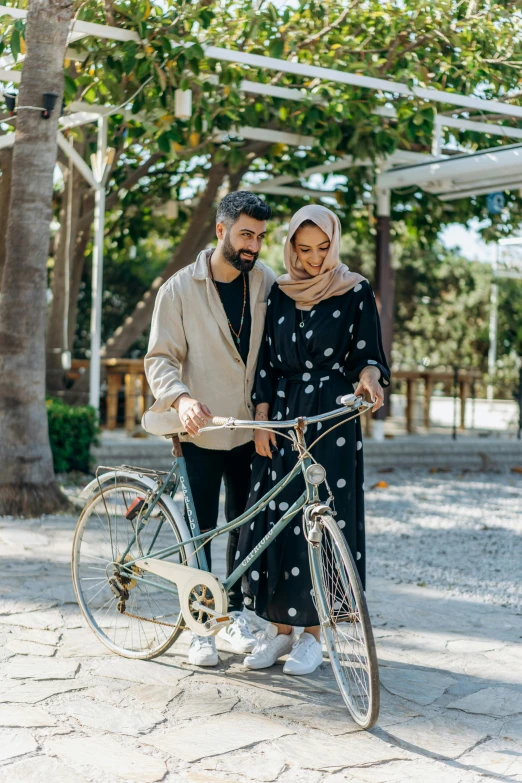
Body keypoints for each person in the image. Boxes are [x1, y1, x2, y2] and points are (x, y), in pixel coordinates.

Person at [237, 204, 391, 676]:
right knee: (279, 519)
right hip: (284, 418)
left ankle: (314, 635)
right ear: (290, 247)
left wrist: (369, 379)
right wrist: (263, 416)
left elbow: (369, 354)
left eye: (322, 249)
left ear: (334, 243)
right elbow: (264, 360)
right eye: (303, 250)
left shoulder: (355, 290)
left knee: (324, 520)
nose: (314, 260)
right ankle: (279, 632)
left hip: (331, 420)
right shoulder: (279, 292)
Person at [145, 191, 276, 667]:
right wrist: (180, 400)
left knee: (246, 529)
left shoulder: (267, 283)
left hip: (249, 430)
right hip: (198, 430)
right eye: (245, 234)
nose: (253, 246)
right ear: (220, 231)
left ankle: (238, 615)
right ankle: (200, 626)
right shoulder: (178, 289)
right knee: (199, 532)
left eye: (260, 237)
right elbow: (159, 358)